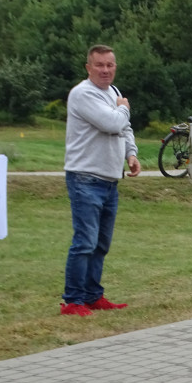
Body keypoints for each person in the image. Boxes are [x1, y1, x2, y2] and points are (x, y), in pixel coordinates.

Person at [60, 45, 141, 316]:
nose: (105, 70)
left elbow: (124, 128)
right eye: (99, 65)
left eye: (110, 65)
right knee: (85, 241)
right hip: (85, 178)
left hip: (109, 180)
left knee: (101, 243)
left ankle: (94, 296)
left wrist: (131, 153)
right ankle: (73, 301)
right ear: (88, 68)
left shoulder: (114, 94)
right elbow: (112, 123)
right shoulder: (82, 94)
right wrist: (124, 109)